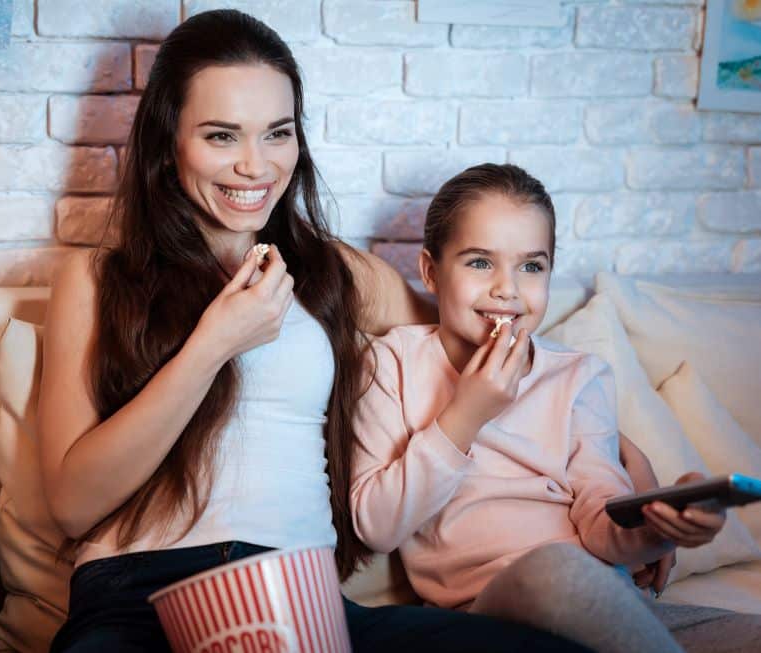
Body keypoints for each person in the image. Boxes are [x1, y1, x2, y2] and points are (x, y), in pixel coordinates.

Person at [38, 10, 594, 653]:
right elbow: (73, 503)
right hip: (138, 601)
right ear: (170, 143)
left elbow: (483, 342)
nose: (255, 166)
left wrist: (613, 460)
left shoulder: (337, 272)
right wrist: (215, 341)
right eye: (222, 136)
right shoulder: (98, 277)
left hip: (300, 602)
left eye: (277, 133)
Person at [349, 163, 729, 653]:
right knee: (557, 567)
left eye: (531, 266)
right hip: (490, 610)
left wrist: (658, 527)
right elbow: (378, 526)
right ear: (429, 271)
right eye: (480, 262)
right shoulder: (390, 363)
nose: (507, 288)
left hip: (603, 597)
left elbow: (600, 523)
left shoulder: (580, 377)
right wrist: (467, 413)